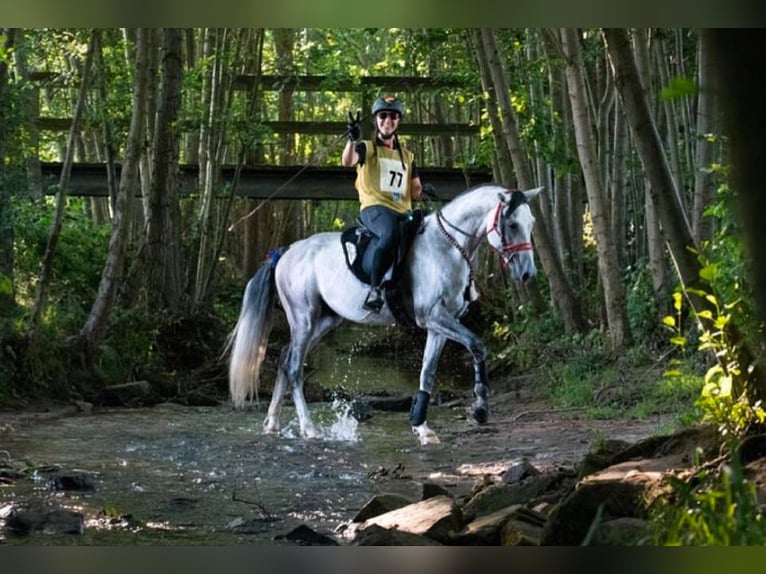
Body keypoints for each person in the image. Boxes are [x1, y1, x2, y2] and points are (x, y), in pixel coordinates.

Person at [341, 94, 424, 313]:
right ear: (377, 120)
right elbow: (347, 161)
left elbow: (415, 190)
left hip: (402, 210)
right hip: (375, 207)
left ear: (398, 121)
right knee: (389, 234)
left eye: (393, 116)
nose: (388, 120)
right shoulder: (367, 148)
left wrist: (423, 190)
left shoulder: (407, 156)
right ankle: (375, 290)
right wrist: (352, 140)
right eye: (383, 116)